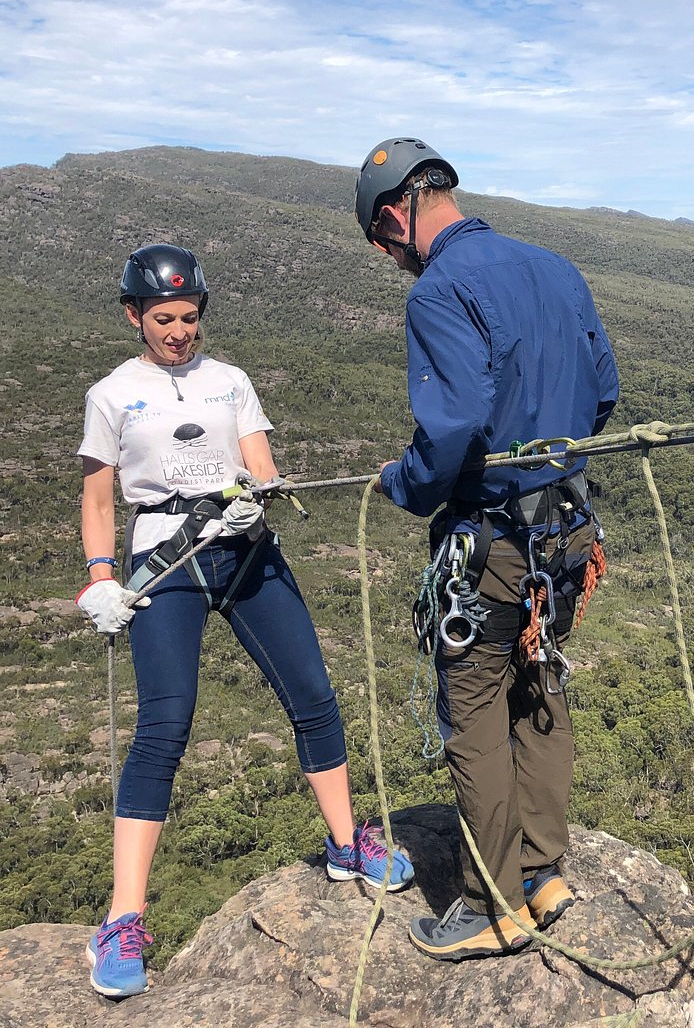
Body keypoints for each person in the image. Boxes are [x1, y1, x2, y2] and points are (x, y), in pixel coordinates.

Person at [75, 244, 413, 999]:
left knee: (313, 695)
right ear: (134, 315)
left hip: (245, 547)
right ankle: (122, 920)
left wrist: (257, 490)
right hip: (166, 560)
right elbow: (100, 500)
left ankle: (342, 844)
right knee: (166, 725)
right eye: (163, 319)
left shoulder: (230, 382)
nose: (178, 333)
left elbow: (261, 463)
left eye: (189, 319)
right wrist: (101, 580)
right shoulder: (111, 394)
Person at [354, 136, 619, 962]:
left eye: (383, 243)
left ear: (396, 216)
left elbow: (453, 426)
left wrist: (404, 484)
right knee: (539, 687)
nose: (392, 259)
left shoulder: (439, 291)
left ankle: (491, 904)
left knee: (473, 713)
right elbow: (604, 392)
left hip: (492, 545)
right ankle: (544, 872)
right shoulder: (555, 267)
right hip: (567, 534)